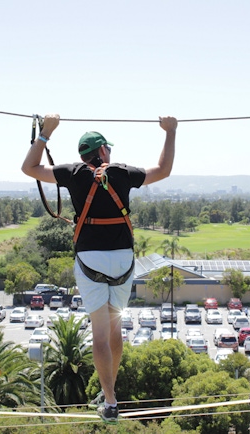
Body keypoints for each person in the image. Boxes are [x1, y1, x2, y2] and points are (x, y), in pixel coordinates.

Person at [21, 114, 177, 423]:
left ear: (84, 155)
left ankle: (109, 400)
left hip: (91, 260)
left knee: (101, 333)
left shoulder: (73, 172)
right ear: (103, 151)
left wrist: (45, 135)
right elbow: (164, 170)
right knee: (114, 329)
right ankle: (110, 390)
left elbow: (30, 168)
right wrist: (170, 132)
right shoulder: (121, 173)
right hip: (122, 260)